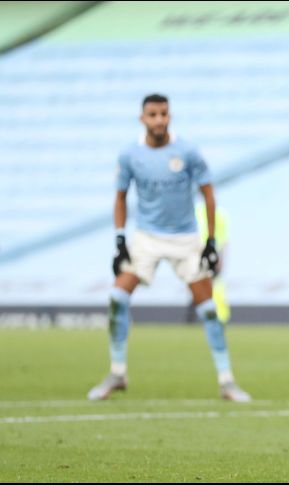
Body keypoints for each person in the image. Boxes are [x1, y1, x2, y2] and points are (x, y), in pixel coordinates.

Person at [87, 94, 251, 403]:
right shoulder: (130, 154)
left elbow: (209, 195)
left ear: (170, 116)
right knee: (117, 298)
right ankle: (117, 373)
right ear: (142, 119)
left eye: (164, 113)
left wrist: (210, 241)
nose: (159, 119)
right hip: (146, 238)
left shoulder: (187, 151)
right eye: (153, 114)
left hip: (185, 239)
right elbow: (120, 198)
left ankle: (227, 381)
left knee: (209, 309)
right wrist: (120, 239)